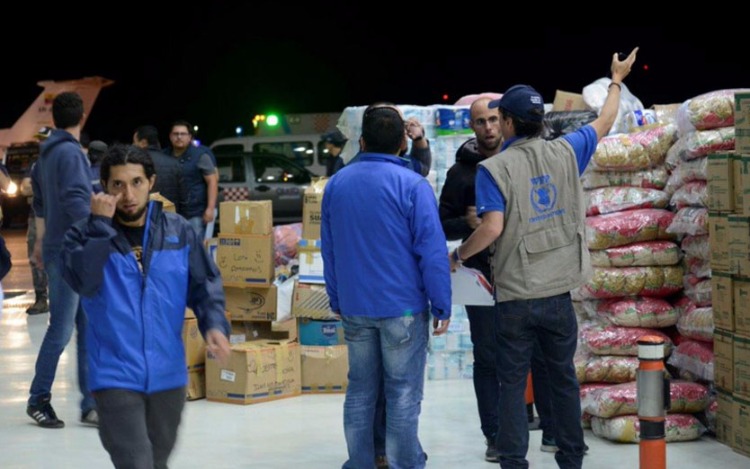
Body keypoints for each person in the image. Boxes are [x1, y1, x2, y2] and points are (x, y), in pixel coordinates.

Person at [448, 48, 638, 469]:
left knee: (512, 383)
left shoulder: (493, 170)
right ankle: (571, 458)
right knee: (563, 379)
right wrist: (616, 80)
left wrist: (459, 255)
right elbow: (605, 121)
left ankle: (514, 461)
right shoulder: (568, 150)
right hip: (558, 292)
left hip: (515, 296)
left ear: (510, 123)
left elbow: (492, 228)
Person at [60, 143, 231, 468]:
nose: (128, 194)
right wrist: (98, 227)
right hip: (114, 376)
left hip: (168, 376)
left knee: (158, 461)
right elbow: (84, 281)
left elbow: (204, 284)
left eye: (136, 182)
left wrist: (214, 324)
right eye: (118, 185)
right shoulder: (84, 236)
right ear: (104, 188)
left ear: (151, 182)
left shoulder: (178, 231)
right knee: (136, 462)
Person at [321, 104, 452, 469]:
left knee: (360, 391)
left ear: (361, 141)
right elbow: (432, 251)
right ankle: (403, 464)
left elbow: (328, 248)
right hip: (404, 311)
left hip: (355, 307)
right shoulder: (412, 185)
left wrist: (336, 296)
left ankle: (360, 462)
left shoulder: (338, 184)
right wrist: (442, 304)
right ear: (401, 143)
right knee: (403, 394)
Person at [27, 91, 97, 428]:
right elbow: (76, 201)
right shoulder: (70, 153)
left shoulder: (46, 154)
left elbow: (39, 202)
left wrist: (41, 240)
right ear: (82, 116)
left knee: (86, 326)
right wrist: (99, 233)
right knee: (61, 329)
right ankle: (38, 398)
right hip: (73, 251)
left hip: (59, 247)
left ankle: (91, 403)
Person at [163, 120, 218, 238]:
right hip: (170, 212)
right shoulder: (164, 155)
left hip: (194, 212)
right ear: (170, 136)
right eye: (175, 134)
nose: (179, 137)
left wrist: (210, 208)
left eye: (183, 134)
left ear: (190, 137)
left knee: (194, 248)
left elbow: (212, 182)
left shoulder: (200, 155)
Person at [133, 125, 182, 213]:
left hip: (145, 215)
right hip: (170, 214)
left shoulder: (135, 163)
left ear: (143, 142)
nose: (133, 145)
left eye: (135, 142)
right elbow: (183, 194)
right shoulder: (174, 163)